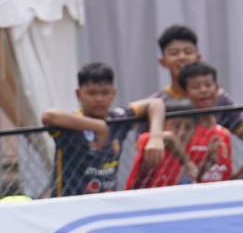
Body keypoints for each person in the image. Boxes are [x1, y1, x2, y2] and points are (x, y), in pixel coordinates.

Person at [39, 62, 166, 196]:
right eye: (91, 93)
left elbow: (156, 103)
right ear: (78, 94)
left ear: (113, 93)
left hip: (106, 203)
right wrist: (99, 127)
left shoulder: (118, 118)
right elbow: (48, 115)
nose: (99, 99)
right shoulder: (72, 123)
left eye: (105, 93)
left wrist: (156, 137)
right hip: (68, 204)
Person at [126, 62, 236, 189]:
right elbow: (167, 138)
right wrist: (187, 162)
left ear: (217, 88)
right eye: (196, 86)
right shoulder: (156, 139)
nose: (204, 90)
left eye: (208, 85)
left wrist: (208, 162)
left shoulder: (223, 134)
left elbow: (192, 178)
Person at [152, 24, 243, 137]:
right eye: (174, 53)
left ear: (198, 57)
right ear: (163, 62)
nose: (182, 57)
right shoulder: (157, 103)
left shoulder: (218, 98)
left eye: (188, 52)